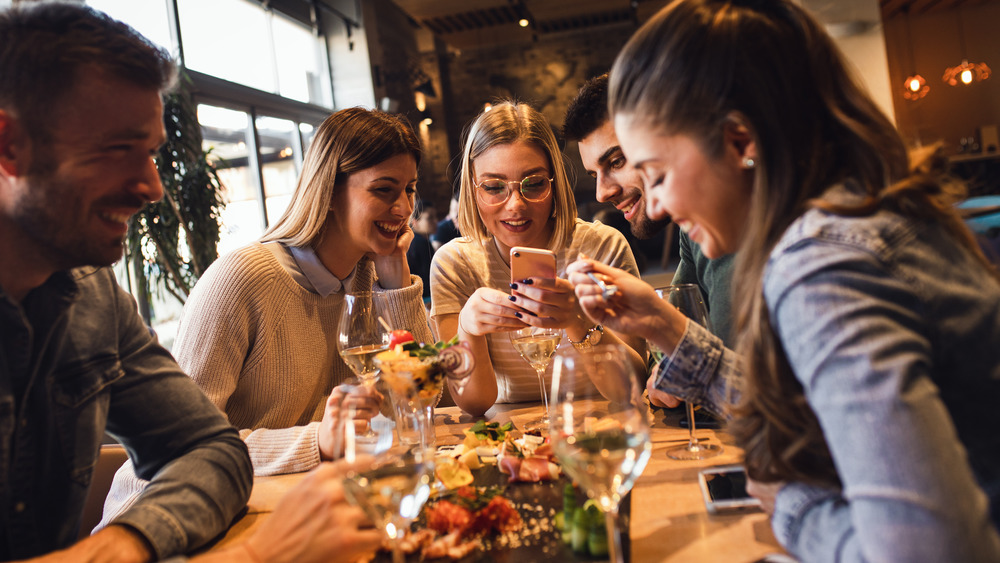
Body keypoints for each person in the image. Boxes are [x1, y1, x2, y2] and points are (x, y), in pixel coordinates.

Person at [571, 1, 1000, 561]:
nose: (652, 202)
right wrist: (663, 326)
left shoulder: (821, 264)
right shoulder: (857, 217)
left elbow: (927, 552)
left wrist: (795, 507)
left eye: (656, 173)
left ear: (741, 141)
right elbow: (822, 416)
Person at [0, 3, 253, 560]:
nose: (152, 187)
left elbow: (210, 447)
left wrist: (127, 540)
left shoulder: (92, 294)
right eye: (118, 149)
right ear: (9, 145)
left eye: (152, 154)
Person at [100, 107, 435, 525]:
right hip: (164, 525)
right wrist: (317, 440)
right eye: (385, 190)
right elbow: (180, 452)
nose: (404, 208)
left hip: (279, 509)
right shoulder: (242, 279)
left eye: (410, 189)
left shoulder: (370, 277)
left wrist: (397, 282)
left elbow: (423, 402)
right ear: (329, 191)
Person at [430, 100, 646, 416]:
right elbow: (474, 403)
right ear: (473, 189)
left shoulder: (601, 247)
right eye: (494, 187)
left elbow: (630, 387)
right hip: (511, 441)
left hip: (600, 429)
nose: (515, 204)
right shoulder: (454, 265)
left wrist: (576, 320)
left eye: (533, 184)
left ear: (554, 182)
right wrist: (467, 328)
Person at [563, 73, 738, 411]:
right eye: (593, 175)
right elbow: (679, 351)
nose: (601, 193)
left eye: (617, 162)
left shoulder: (807, 243)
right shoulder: (690, 230)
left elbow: (798, 407)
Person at [407, 198, 437, 301]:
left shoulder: (412, 240)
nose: (435, 221)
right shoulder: (421, 243)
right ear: (415, 222)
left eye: (435, 217)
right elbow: (429, 279)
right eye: (430, 218)